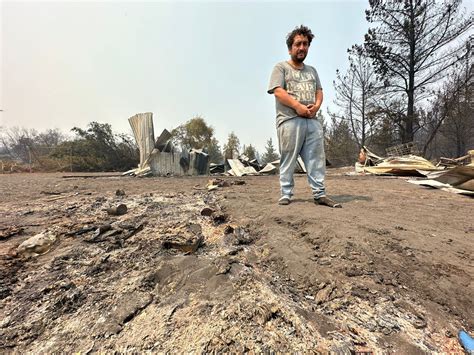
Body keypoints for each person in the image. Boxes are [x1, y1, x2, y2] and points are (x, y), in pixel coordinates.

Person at [267, 25, 341, 208]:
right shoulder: (281, 68)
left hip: (312, 121)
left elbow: (319, 91)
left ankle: (319, 194)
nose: (302, 48)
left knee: (317, 159)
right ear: (290, 47)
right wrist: (297, 107)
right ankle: (286, 193)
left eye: (305, 44)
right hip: (289, 120)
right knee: (288, 158)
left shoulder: (312, 71)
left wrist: (316, 107)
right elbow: (277, 91)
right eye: (298, 44)